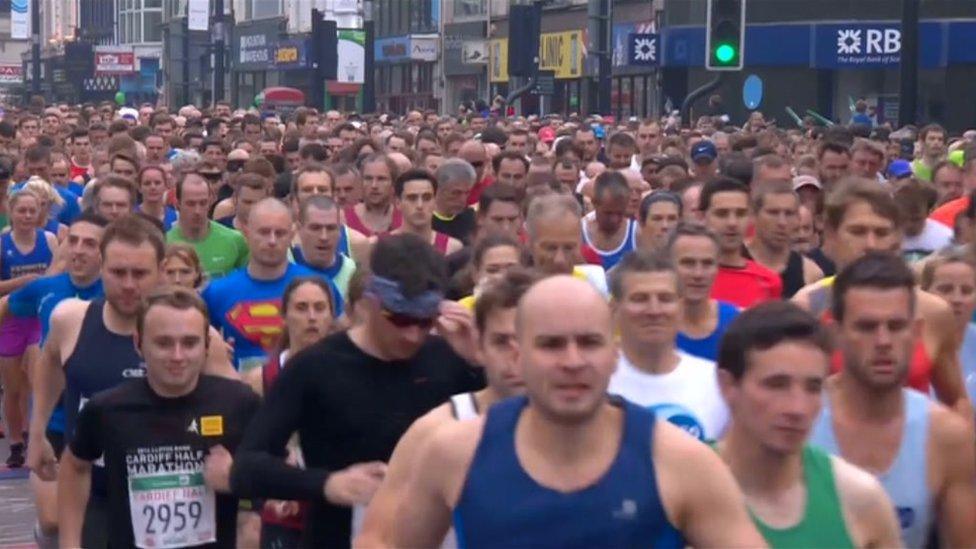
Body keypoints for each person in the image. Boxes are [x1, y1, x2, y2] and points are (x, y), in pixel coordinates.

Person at [390, 275, 765, 548]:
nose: (572, 361)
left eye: (589, 342)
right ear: (518, 355)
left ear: (614, 354)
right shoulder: (454, 453)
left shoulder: (679, 461)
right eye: (551, 345)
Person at [224, 234, 484, 547]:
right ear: (371, 302)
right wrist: (329, 484)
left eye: (425, 321)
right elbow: (246, 468)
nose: (414, 335)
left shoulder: (448, 356)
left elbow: (512, 431)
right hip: (337, 535)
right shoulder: (316, 366)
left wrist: (479, 361)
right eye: (400, 319)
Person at [27, 216, 236, 548]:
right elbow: (48, 363)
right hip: (94, 489)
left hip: (172, 494)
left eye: (139, 274)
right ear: (102, 266)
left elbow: (237, 408)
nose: (128, 285)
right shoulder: (70, 319)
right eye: (117, 272)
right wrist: (38, 432)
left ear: (161, 269)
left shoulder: (194, 338)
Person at [59, 287, 261, 548]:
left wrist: (238, 478)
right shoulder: (107, 409)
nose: (177, 356)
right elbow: (74, 465)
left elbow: (277, 471)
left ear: (207, 346)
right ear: (138, 343)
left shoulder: (240, 403)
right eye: (163, 343)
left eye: (189, 343)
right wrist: (69, 542)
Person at [808, 253, 976, 548]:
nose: (883, 341)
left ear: (917, 333)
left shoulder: (946, 437)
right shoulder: (799, 420)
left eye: (896, 326)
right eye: (866, 327)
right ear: (836, 334)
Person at [714, 301, 901, 548]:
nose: (797, 408)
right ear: (728, 386)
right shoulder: (680, 491)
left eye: (813, 388)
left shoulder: (858, 498)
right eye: (776, 385)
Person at [793, 178, 970, 416]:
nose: (870, 244)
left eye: (881, 232)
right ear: (831, 235)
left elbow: (956, 401)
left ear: (896, 239)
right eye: (857, 232)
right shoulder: (808, 309)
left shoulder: (933, 312)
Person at [1, 211, 106, 546]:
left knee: (94, 517)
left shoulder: (120, 290)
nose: (78, 250)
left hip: (103, 418)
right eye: (72, 241)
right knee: (51, 521)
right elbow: (7, 307)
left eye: (90, 244)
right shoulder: (45, 288)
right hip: (54, 419)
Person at [242, 277, 337, 548]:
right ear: (284, 315)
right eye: (302, 307)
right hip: (280, 512)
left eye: (320, 308)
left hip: (331, 507)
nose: (311, 317)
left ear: (332, 314)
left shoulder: (351, 373)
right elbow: (247, 451)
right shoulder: (258, 380)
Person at [202, 198, 343, 372]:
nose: (272, 241)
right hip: (241, 393)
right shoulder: (217, 293)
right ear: (246, 232)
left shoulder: (318, 288)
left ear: (292, 235)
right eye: (264, 232)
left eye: (280, 233)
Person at [607, 251, 729, 441]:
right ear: (614, 309)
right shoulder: (598, 381)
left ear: (680, 308)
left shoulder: (716, 384)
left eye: (665, 299)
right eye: (640, 299)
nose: (654, 311)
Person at [0, 189, 58, 467]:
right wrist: (25, 283)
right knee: (12, 387)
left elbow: (58, 277)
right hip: (9, 320)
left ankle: (38, 435)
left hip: (38, 318)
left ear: (39, 214)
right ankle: (16, 443)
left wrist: (41, 284)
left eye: (31, 211)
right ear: (11, 212)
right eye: (21, 211)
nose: (26, 216)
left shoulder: (49, 240)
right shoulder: (1, 244)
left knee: (36, 381)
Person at [700, 178, 782, 308]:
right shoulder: (686, 278)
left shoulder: (769, 281)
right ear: (702, 218)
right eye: (722, 214)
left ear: (751, 218)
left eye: (740, 214)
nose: (732, 223)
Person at [668, 223, 740, 362]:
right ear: (668, 265)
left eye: (707, 264)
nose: (698, 274)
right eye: (688, 263)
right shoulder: (653, 325)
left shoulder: (737, 325)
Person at [745, 180, 824, 298]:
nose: (782, 222)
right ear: (753, 215)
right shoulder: (730, 262)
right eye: (773, 213)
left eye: (789, 214)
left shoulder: (811, 273)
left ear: (798, 219)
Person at [167, 172, 249, 278]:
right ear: (177, 205)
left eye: (203, 203)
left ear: (210, 201)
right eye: (190, 204)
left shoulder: (235, 240)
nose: (197, 211)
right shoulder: (165, 243)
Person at [919, 250, 976, 405]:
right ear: (924, 294)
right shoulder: (908, 343)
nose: (957, 299)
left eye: (966, 291)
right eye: (945, 289)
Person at [526, 193, 608, 296]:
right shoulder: (513, 295)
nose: (559, 260)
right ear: (530, 244)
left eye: (568, 248)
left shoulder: (594, 287)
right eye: (550, 248)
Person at [390, 169, 463, 256]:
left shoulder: (452, 249)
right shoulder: (376, 246)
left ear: (435, 202)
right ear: (398, 203)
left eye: (427, 198)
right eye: (412, 198)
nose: (420, 205)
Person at [581, 171, 639, 270]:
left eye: (620, 213)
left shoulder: (638, 234)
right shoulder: (579, 233)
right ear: (594, 203)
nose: (614, 220)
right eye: (608, 213)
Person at [342, 153, 402, 237]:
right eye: (368, 178)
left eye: (381, 179)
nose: (374, 185)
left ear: (393, 183)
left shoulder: (404, 218)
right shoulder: (344, 218)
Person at [893, 179, 952, 262]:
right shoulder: (885, 235)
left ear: (929, 211)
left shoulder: (946, 238)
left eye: (915, 219)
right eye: (903, 218)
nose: (909, 225)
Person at [431, 159, 477, 244]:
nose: (463, 199)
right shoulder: (426, 221)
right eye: (456, 193)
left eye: (467, 193)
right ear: (437, 189)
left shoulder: (471, 219)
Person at [135, 165, 178, 231]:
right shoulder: (131, 217)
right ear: (139, 188)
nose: (153, 187)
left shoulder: (176, 217)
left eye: (157, 183)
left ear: (166, 186)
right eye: (147, 183)